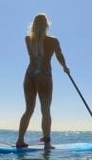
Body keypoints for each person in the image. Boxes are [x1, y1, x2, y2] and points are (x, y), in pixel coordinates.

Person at [16, 13, 69, 149]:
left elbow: (34, 54)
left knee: (28, 110)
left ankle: (20, 140)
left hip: (29, 75)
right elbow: (59, 56)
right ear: (47, 25)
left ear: (33, 25)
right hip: (44, 75)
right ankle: (47, 144)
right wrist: (65, 67)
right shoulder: (53, 41)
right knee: (45, 110)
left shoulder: (28, 39)